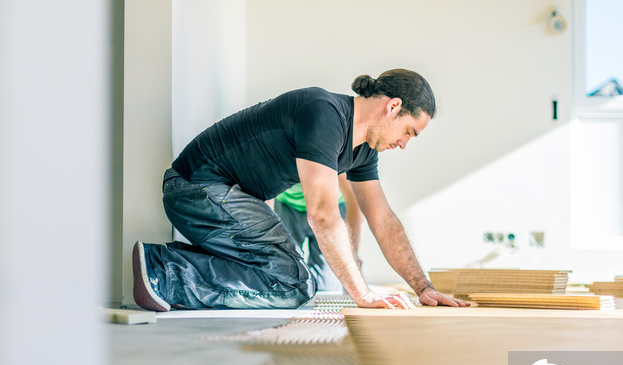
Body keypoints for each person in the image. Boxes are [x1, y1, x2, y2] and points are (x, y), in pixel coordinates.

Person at [132, 69, 468, 311]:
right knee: (294, 283)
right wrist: (362, 293)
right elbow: (323, 214)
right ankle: (165, 270)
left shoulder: (363, 150)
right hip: (196, 186)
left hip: (228, 197)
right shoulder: (324, 113)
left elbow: (383, 220)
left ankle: (166, 265)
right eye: (409, 131)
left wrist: (422, 287)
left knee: (294, 281)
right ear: (393, 107)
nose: (404, 144)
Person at [274, 174, 363, 292]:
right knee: (285, 280)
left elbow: (353, 200)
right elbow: (266, 196)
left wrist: (352, 257)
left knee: (328, 287)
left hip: (331, 206)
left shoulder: (337, 161)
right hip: (288, 205)